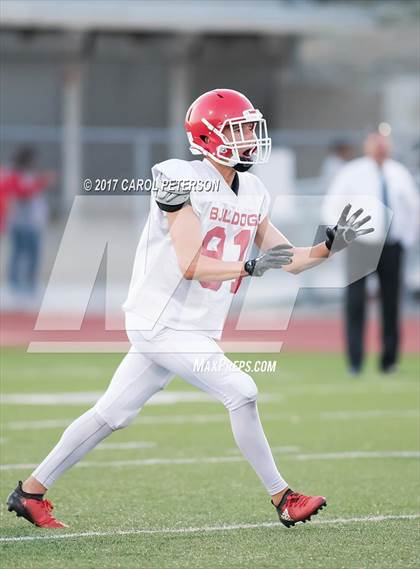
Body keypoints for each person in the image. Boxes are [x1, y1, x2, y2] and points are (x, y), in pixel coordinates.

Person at [7, 89, 373, 529]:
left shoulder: (253, 189)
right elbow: (190, 263)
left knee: (112, 413)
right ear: (208, 136)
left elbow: (288, 259)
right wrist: (249, 265)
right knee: (242, 391)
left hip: (190, 325)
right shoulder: (180, 177)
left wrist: (327, 247)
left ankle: (31, 491)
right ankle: (283, 497)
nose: (249, 138)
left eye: (250, 129)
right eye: (238, 129)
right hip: (161, 318)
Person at [324, 132, 419, 374]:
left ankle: (389, 361)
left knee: (391, 304)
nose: (380, 147)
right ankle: (355, 362)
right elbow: (331, 204)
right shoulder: (352, 172)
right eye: (376, 142)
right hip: (361, 245)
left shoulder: (399, 173)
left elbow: (412, 208)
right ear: (367, 145)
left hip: (392, 246)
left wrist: (406, 238)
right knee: (355, 303)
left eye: (384, 142)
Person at [5, 146, 55, 299]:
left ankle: (30, 284)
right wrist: (42, 182)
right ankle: (15, 285)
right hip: (21, 223)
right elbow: (23, 193)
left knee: (34, 255)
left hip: (33, 223)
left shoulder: (31, 176)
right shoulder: (16, 175)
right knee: (19, 254)